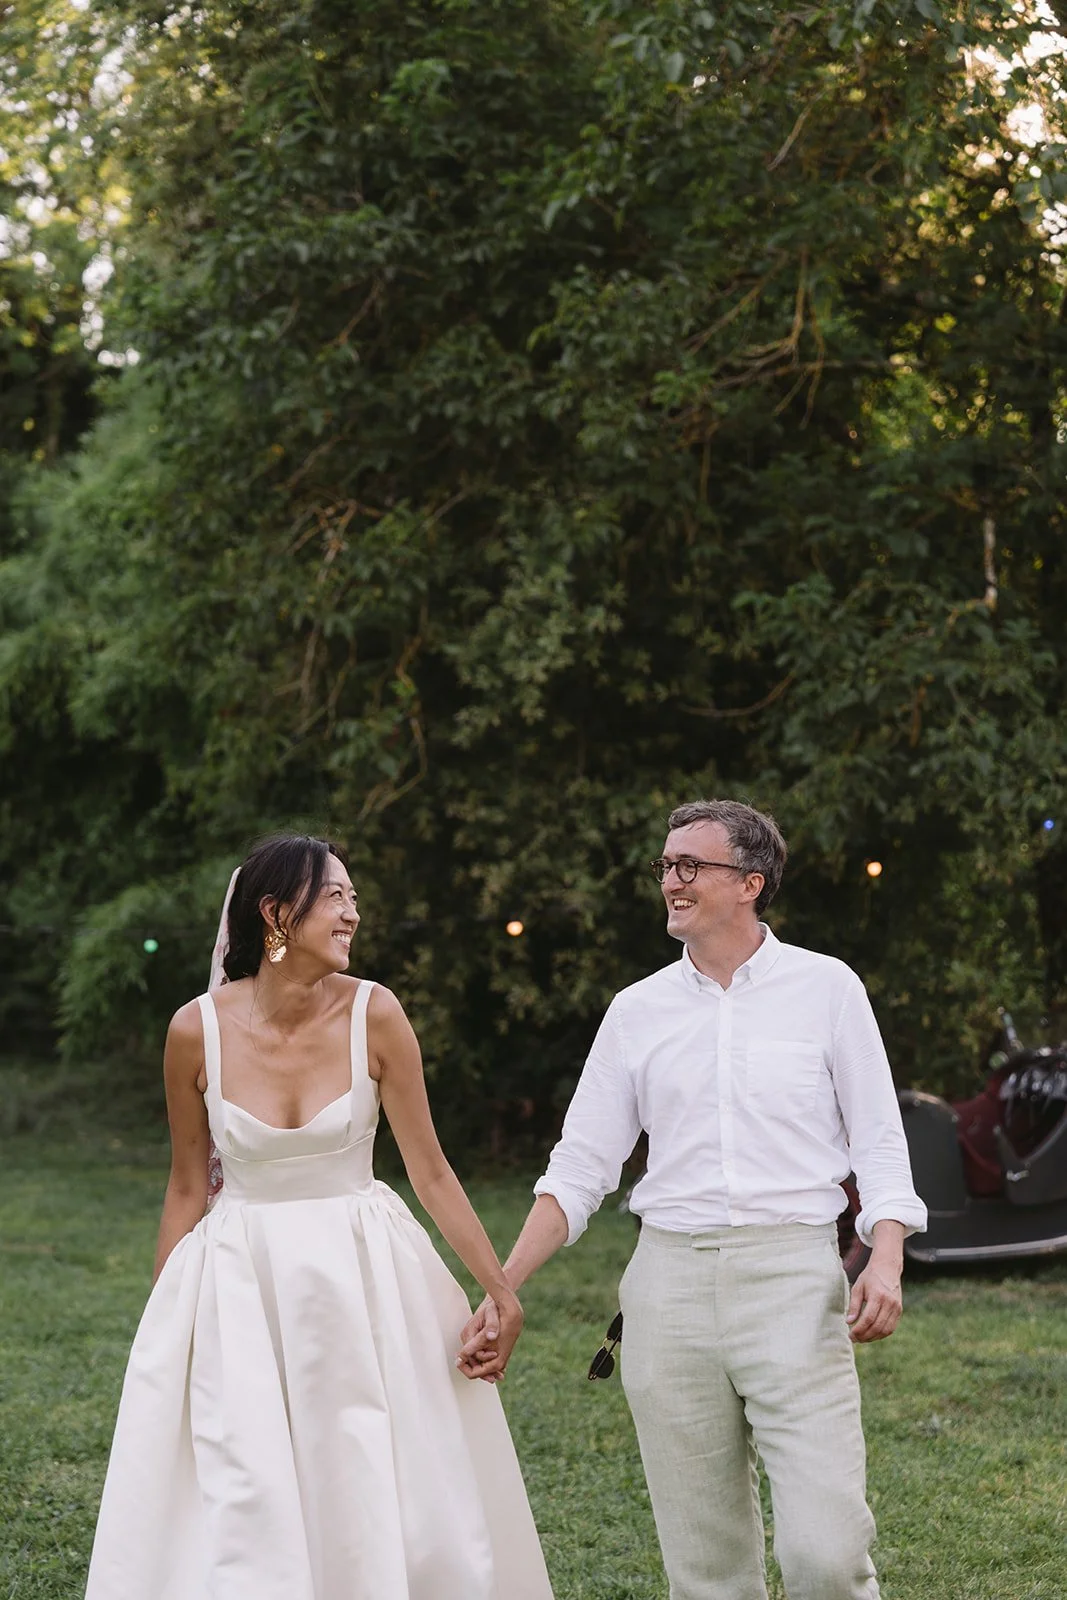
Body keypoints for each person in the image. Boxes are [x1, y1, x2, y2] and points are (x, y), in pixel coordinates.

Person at [460, 799, 927, 1600]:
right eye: (665, 867)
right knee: (705, 1574)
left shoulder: (826, 989)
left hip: (792, 1280)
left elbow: (879, 1143)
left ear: (750, 882)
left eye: (689, 866)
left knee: (825, 1555)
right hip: (666, 1292)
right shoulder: (635, 1011)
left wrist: (883, 1257)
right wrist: (502, 1289)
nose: (670, 881)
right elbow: (578, 1169)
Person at [85, 833, 553, 1600]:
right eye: (335, 896)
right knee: (249, 1488)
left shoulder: (377, 1013)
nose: (351, 915)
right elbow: (182, 1188)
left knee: (380, 1476)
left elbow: (430, 1171)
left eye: (353, 899)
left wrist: (500, 1291)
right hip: (243, 1282)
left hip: (367, 1276)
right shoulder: (191, 1031)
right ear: (274, 914)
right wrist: (168, 1320)